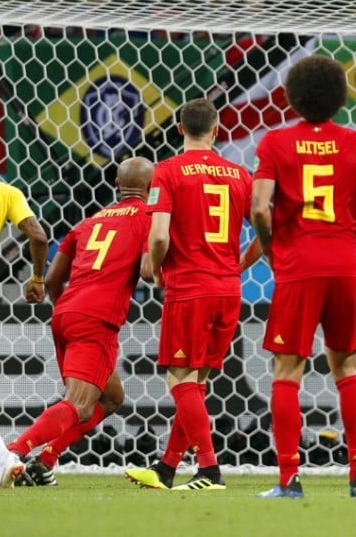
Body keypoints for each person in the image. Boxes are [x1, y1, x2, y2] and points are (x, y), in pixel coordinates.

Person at [251, 55, 356, 499]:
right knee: (347, 366)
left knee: (287, 370)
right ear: (338, 96)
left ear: (293, 96)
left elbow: (258, 207)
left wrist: (272, 250)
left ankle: (290, 478)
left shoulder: (274, 143)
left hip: (298, 267)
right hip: (345, 264)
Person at [124, 98, 254, 492]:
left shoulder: (166, 171)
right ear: (216, 130)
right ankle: (166, 468)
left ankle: (210, 470)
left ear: (179, 129)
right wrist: (239, 265)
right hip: (228, 290)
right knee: (194, 383)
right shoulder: (238, 174)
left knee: (178, 378)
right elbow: (267, 232)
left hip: (190, 288)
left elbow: (159, 234)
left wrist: (157, 268)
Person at [1, 158, 154, 489]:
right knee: (79, 404)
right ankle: (13, 452)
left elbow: (53, 279)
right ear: (151, 187)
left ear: (116, 184)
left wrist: (69, 310)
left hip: (66, 312)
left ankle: (46, 460)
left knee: (111, 398)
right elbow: (148, 271)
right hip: (96, 319)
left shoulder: (90, 222)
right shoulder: (147, 219)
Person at [0, 173, 47, 489]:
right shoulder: (5, 192)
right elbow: (38, 237)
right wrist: (37, 278)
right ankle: (2, 456)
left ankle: (3, 456)